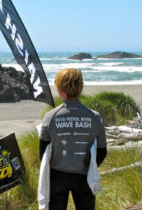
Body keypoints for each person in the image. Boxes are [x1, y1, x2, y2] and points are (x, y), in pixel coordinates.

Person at [39, 68, 107, 210]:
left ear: (59, 90)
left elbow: (43, 153)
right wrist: (90, 167)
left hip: (57, 176)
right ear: (80, 88)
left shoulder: (51, 117)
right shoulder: (94, 117)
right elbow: (102, 151)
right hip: (85, 176)